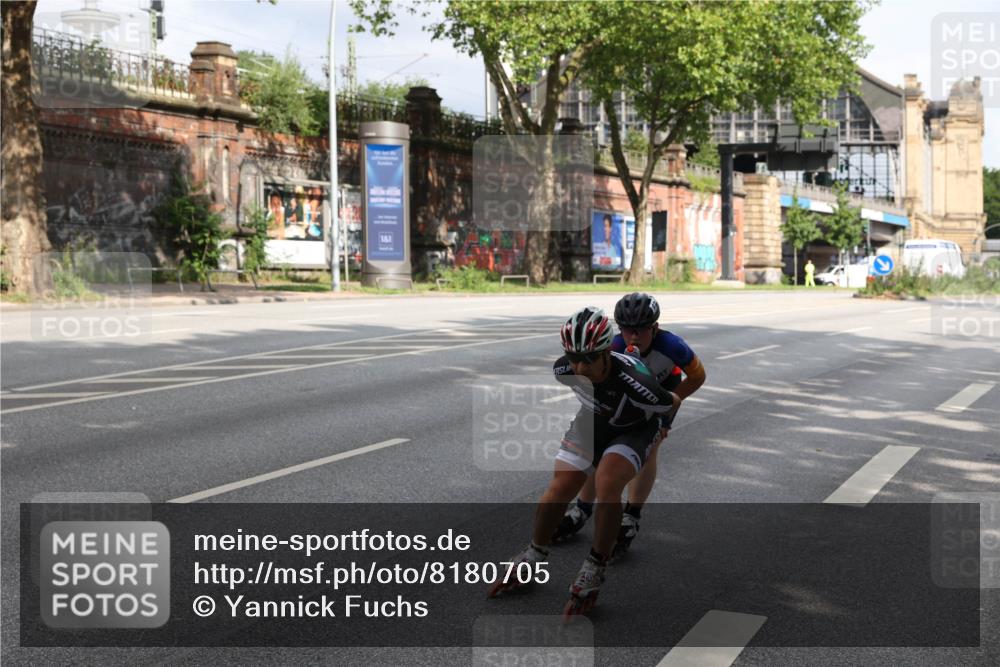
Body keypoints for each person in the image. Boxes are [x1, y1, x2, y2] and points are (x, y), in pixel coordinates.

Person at [488, 306, 681, 617]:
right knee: (560, 486)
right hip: (592, 422)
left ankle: (595, 565)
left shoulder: (636, 380)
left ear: (606, 352)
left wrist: (664, 428)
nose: (579, 365)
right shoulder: (563, 370)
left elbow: (673, 400)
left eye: (588, 359)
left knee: (607, 484)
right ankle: (534, 552)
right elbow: (589, 396)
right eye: (573, 356)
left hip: (634, 429)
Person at [553, 293, 706, 559]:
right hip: (622, 394)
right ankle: (582, 509)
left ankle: (631, 515)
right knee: (598, 450)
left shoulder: (672, 346)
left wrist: (667, 415)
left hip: (661, 392)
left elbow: (698, 376)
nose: (633, 337)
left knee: (648, 452)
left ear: (654, 328)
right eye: (627, 330)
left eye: (641, 331)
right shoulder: (612, 347)